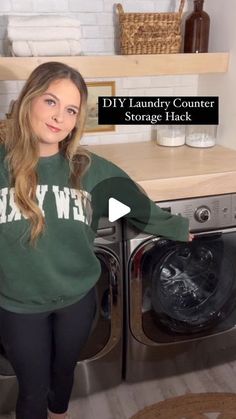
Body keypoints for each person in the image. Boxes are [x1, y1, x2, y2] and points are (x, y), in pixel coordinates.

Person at [0, 61, 190, 419]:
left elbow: (138, 209)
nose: (59, 117)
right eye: (51, 101)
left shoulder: (90, 171)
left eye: (71, 110)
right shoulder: (0, 168)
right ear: (29, 100)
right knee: (31, 392)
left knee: (64, 372)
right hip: (18, 307)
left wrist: (178, 229)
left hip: (76, 301)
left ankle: (60, 411)